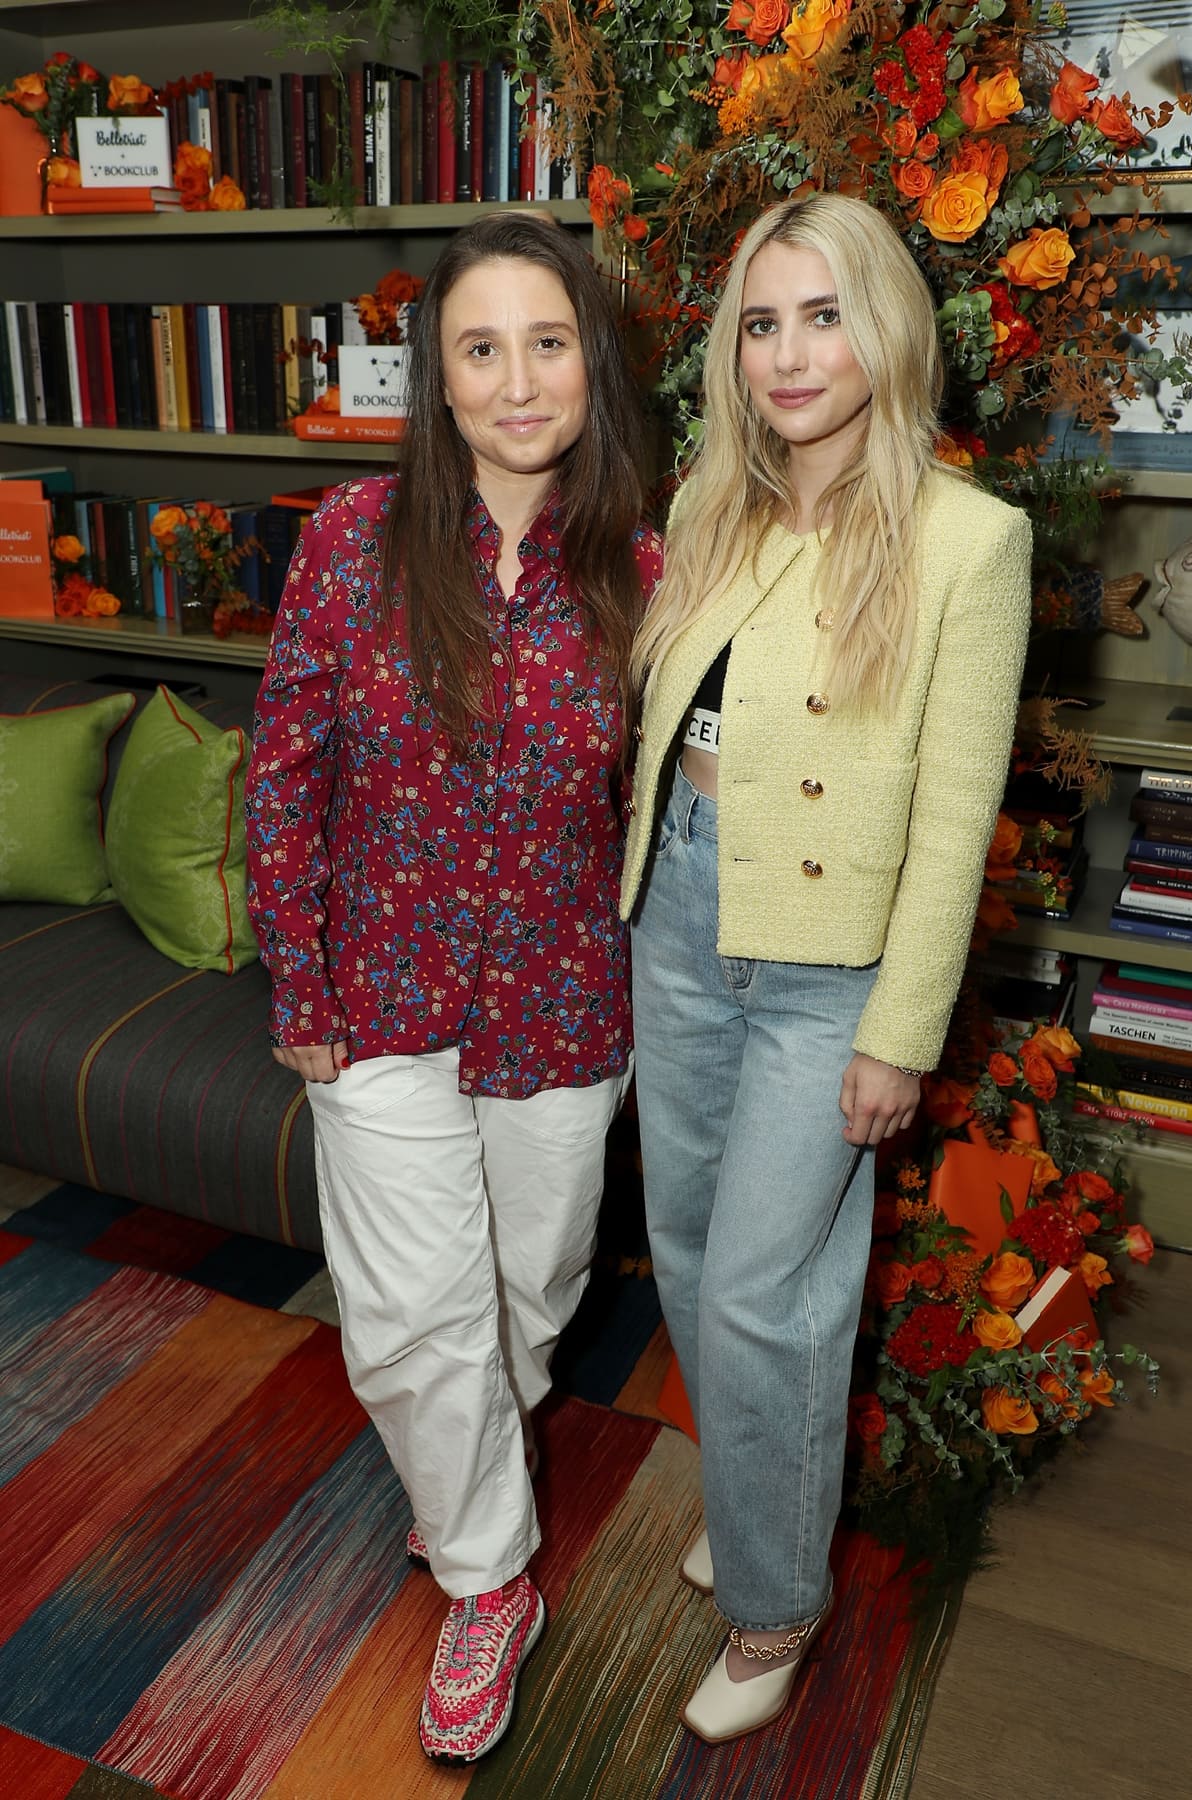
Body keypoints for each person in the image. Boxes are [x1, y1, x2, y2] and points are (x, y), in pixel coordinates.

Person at [245, 212, 661, 1767]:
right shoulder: (355, 538)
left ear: (590, 363)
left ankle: (458, 1491)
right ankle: (491, 1584)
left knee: (523, 1305)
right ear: (436, 375)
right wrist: (302, 975)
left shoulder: (649, 563)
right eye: (479, 348)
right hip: (378, 1001)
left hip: (563, 1008)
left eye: (546, 343)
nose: (516, 379)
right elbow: (286, 771)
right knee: (414, 1320)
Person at [621, 193, 1031, 1745]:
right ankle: (757, 1493)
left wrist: (898, 1032)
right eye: (761, 321)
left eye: (824, 315)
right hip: (679, 916)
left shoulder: (969, 540)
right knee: (683, 1246)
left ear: (888, 328)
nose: (790, 354)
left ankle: (775, 1605)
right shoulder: (713, 506)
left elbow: (952, 815)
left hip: (827, 971)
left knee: (768, 1299)